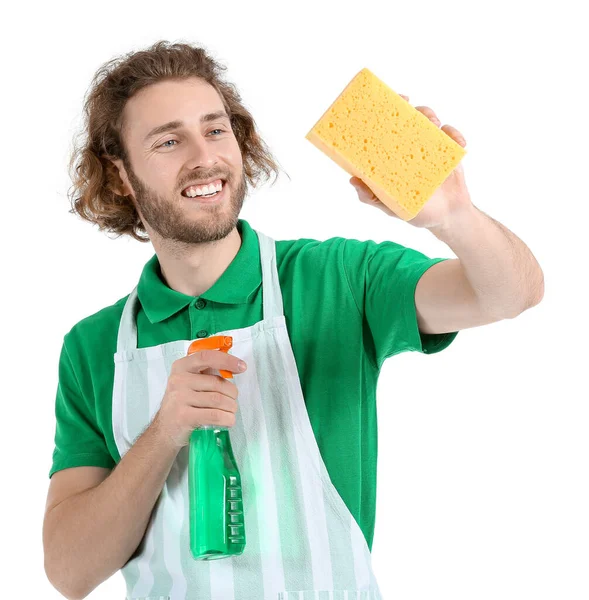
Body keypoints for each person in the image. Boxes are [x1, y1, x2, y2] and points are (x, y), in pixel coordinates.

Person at [42, 40, 544, 600]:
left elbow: (511, 293)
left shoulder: (337, 278)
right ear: (120, 177)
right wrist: (163, 435)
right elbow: (69, 571)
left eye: (215, 129)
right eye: (167, 140)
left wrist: (455, 216)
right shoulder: (94, 347)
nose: (204, 156)